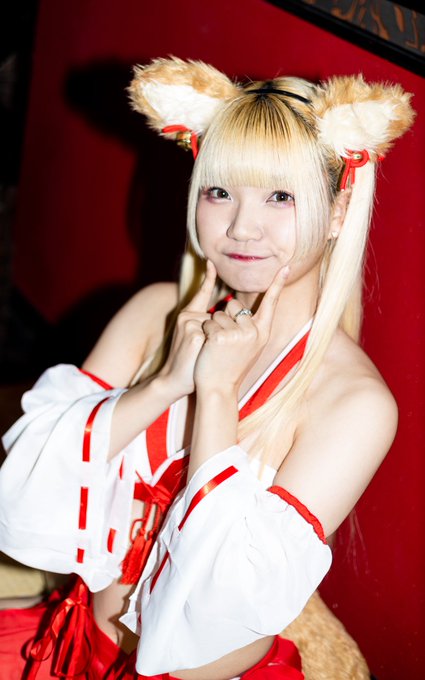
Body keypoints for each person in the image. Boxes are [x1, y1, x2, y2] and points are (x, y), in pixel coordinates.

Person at [0, 57, 415, 679]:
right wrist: (164, 384)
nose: (242, 227)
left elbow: (228, 595)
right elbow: (29, 483)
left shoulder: (356, 403)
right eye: (220, 192)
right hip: (72, 644)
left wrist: (215, 394)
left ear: (337, 212)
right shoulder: (153, 314)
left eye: (280, 197)